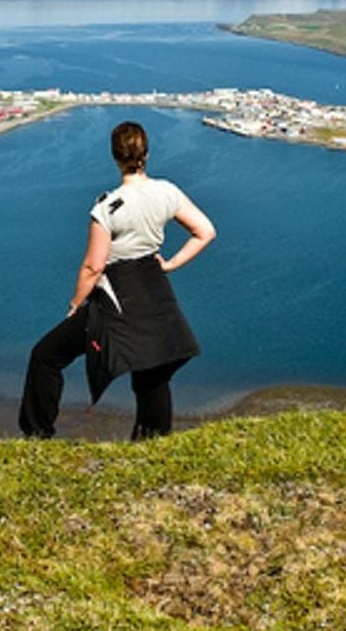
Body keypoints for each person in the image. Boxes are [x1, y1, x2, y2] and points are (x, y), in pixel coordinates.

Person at [18, 120, 216, 440]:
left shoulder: (107, 207)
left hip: (116, 294)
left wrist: (75, 304)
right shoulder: (168, 191)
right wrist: (170, 264)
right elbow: (205, 231)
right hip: (153, 286)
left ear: (115, 157)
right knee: (153, 371)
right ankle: (153, 443)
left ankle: (37, 433)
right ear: (146, 154)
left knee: (46, 356)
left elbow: (93, 267)